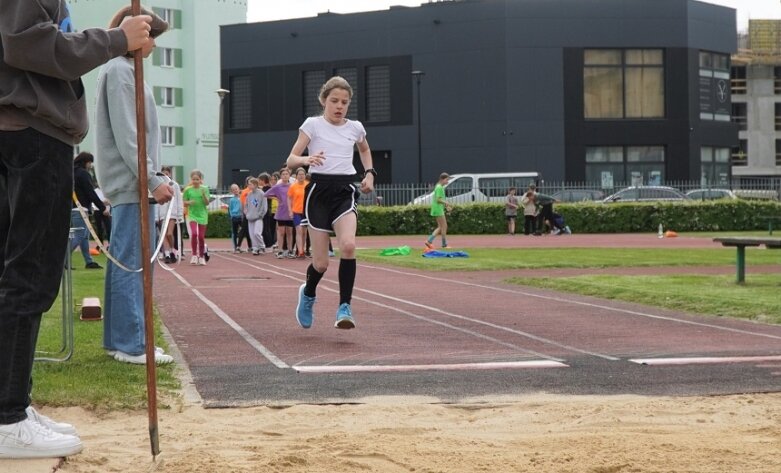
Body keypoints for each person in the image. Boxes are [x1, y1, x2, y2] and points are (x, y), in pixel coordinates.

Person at [0, 0, 155, 458]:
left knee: (16, 276)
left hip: (23, 129)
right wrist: (115, 40)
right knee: (29, 276)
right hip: (32, 132)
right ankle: (8, 416)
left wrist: (122, 37)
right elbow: (28, 43)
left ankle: (12, 406)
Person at [93, 6, 174, 366]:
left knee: (125, 263)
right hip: (133, 184)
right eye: (151, 34)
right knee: (135, 264)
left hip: (131, 182)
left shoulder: (121, 70)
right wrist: (153, 179)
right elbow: (131, 136)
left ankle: (119, 339)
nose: (154, 43)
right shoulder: (123, 72)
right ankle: (131, 343)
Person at [287, 75, 375, 330]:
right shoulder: (312, 125)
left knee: (348, 245)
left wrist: (369, 173)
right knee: (321, 263)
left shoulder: (355, 128)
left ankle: (344, 307)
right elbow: (291, 159)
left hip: (344, 189)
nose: (339, 106)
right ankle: (308, 293)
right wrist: (306, 160)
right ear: (324, 101)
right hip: (318, 192)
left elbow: (365, 150)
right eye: (334, 101)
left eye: (344, 102)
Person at [71, 152, 107, 269]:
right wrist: (102, 207)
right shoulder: (83, 174)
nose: (90, 165)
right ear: (86, 162)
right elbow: (90, 193)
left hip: (74, 207)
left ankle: (89, 261)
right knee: (80, 235)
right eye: (90, 163)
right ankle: (63, 258)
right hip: (81, 208)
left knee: (84, 236)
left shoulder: (72, 173)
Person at [265, 168, 294, 259]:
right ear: (281, 176)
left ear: (289, 175)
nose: (285, 176)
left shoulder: (292, 186)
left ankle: (290, 250)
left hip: (290, 212)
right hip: (281, 212)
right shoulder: (278, 187)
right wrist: (276, 198)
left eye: (287, 174)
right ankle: (280, 251)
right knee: (281, 232)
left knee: (290, 232)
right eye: (283, 174)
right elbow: (266, 194)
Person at [182, 169, 210, 265]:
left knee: (201, 237)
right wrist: (189, 202)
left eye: (197, 179)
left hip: (202, 215)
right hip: (192, 215)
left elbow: (207, 203)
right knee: (194, 234)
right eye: (193, 179)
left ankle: (201, 256)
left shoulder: (205, 188)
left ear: (200, 179)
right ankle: (194, 255)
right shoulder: (188, 190)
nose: (195, 181)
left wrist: (203, 196)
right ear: (191, 179)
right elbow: (184, 203)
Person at [157, 165, 183, 263]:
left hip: (172, 213)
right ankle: (167, 254)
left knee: (169, 233)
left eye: (167, 174)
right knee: (163, 235)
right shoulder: (158, 186)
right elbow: (156, 201)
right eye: (163, 174)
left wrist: (180, 215)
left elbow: (179, 200)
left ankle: (173, 250)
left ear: (170, 174)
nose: (165, 176)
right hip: (162, 214)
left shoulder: (174, 185)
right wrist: (156, 216)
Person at [424, 173, 453, 249]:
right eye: (447, 180)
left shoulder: (438, 186)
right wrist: (447, 203)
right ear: (442, 179)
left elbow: (439, 199)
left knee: (441, 226)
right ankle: (442, 244)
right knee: (443, 226)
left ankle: (431, 241)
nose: (447, 182)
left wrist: (446, 206)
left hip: (437, 208)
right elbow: (438, 199)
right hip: (438, 209)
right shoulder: (439, 187)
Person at [288, 167, 308, 258]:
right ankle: (300, 251)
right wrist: (290, 210)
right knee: (299, 230)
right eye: (299, 175)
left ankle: (302, 249)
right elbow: (289, 198)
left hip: (306, 212)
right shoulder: (293, 186)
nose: (301, 176)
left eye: (302, 174)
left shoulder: (308, 185)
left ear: (305, 176)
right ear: (296, 176)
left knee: (304, 232)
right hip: (296, 211)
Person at [244, 178, 267, 255]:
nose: (249, 185)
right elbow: (246, 205)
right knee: (252, 234)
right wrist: (246, 213)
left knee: (257, 233)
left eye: (250, 184)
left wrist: (261, 214)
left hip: (258, 217)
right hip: (250, 217)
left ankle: (262, 245)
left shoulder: (261, 194)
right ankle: (255, 248)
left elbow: (264, 206)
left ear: (255, 185)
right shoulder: (249, 194)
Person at [228, 183, 244, 253]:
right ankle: (235, 247)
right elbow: (230, 209)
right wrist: (232, 215)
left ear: (239, 189)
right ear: (232, 191)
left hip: (241, 217)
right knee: (234, 232)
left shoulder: (241, 197)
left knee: (243, 231)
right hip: (234, 217)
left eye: (236, 189)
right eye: (233, 190)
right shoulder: (231, 200)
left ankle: (239, 246)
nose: (235, 190)